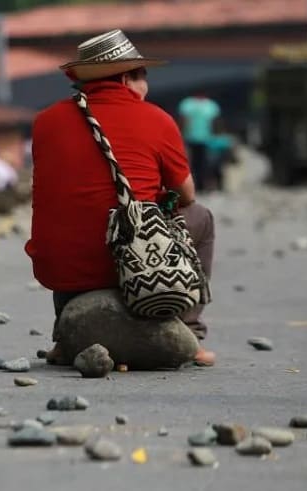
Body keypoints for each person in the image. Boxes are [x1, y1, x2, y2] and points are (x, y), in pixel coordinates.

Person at [26, 29, 215, 366]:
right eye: (144, 78)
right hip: (136, 263)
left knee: (72, 215)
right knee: (201, 217)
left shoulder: (45, 121)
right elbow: (187, 194)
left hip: (61, 266)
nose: (147, 87)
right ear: (128, 78)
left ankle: (62, 335)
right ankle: (190, 332)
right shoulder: (157, 119)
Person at [178, 91, 221, 191]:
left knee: (198, 163)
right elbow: (215, 123)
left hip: (202, 138)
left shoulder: (188, 104)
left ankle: (200, 184)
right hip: (199, 138)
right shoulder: (210, 105)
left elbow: (183, 121)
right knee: (200, 163)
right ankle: (200, 184)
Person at [206, 118, 236, 191]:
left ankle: (219, 186)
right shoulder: (209, 137)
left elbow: (229, 150)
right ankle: (213, 186)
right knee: (212, 173)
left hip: (219, 159)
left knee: (218, 172)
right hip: (212, 159)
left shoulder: (224, 138)